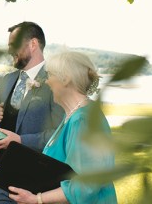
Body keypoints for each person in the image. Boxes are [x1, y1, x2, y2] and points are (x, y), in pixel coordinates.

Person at [8, 51, 117, 204]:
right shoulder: (72, 117)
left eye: (50, 75)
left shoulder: (83, 121)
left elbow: (85, 187)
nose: (47, 81)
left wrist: (36, 199)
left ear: (65, 79)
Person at [0, 22, 64, 204]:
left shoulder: (55, 80)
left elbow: (60, 134)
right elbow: (1, 123)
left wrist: (21, 141)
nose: (9, 51)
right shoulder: (8, 80)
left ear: (33, 44)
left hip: (35, 184)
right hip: (1, 180)